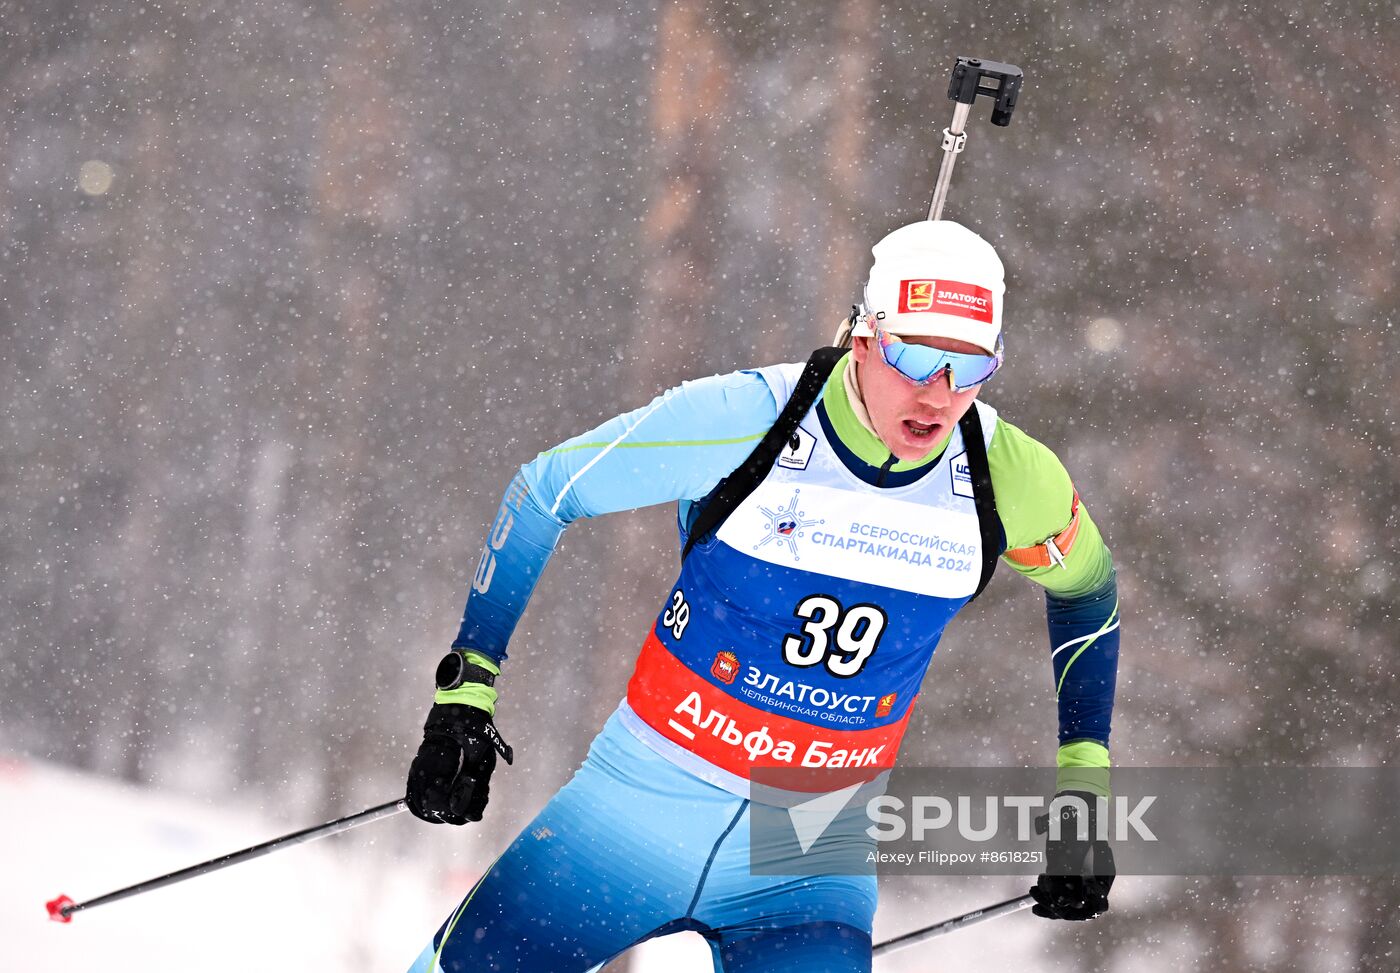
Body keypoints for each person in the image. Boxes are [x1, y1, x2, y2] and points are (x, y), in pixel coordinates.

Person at [403, 220, 1121, 972]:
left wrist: (1084, 787)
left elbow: (1088, 593)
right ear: (864, 338)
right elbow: (545, 490)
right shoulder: (751, 420)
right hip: (637, 812)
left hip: (810, 853)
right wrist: (468, 690)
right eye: (915, 356)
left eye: (969, 367)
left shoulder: (1008, 476)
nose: (938, 394)